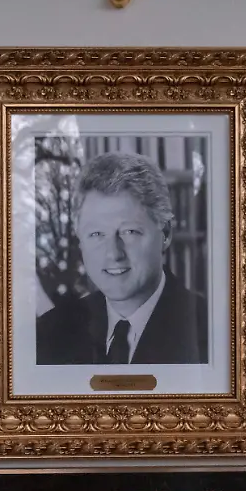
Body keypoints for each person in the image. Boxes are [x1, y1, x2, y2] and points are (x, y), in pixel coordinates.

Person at [36, 151, 208, 365]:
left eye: (129, 232)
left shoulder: (215, 333)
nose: (114, 254)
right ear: (80, 239)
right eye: (97, 234)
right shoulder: (48, 336)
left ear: (165, 234)